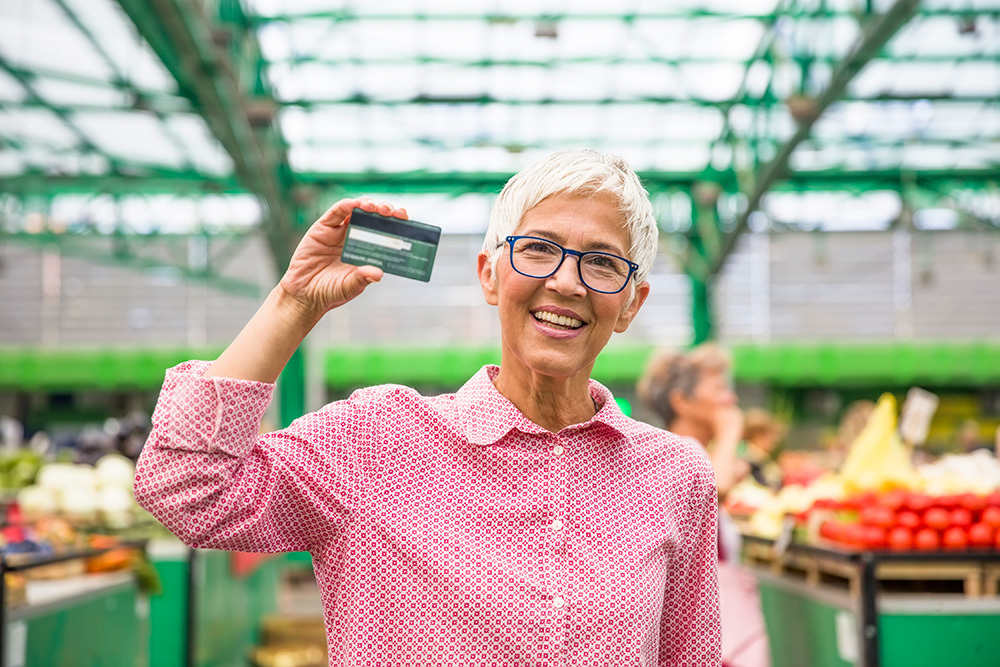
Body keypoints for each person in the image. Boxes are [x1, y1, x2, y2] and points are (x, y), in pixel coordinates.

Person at [134, 149, 721, 666]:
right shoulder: (375, 439)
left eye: (602, 262)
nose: (567, 282)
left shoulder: (676, 475)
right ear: (490, 275)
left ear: (630, 305)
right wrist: (292, 305)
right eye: (539, 249)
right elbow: (186, 489)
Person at [638, 344, 769, 667]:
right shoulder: (678, 455)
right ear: (682, 402)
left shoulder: (685, 455)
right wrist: (731, 430)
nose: (731, 400)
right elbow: (715, 487)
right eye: (720, 389)